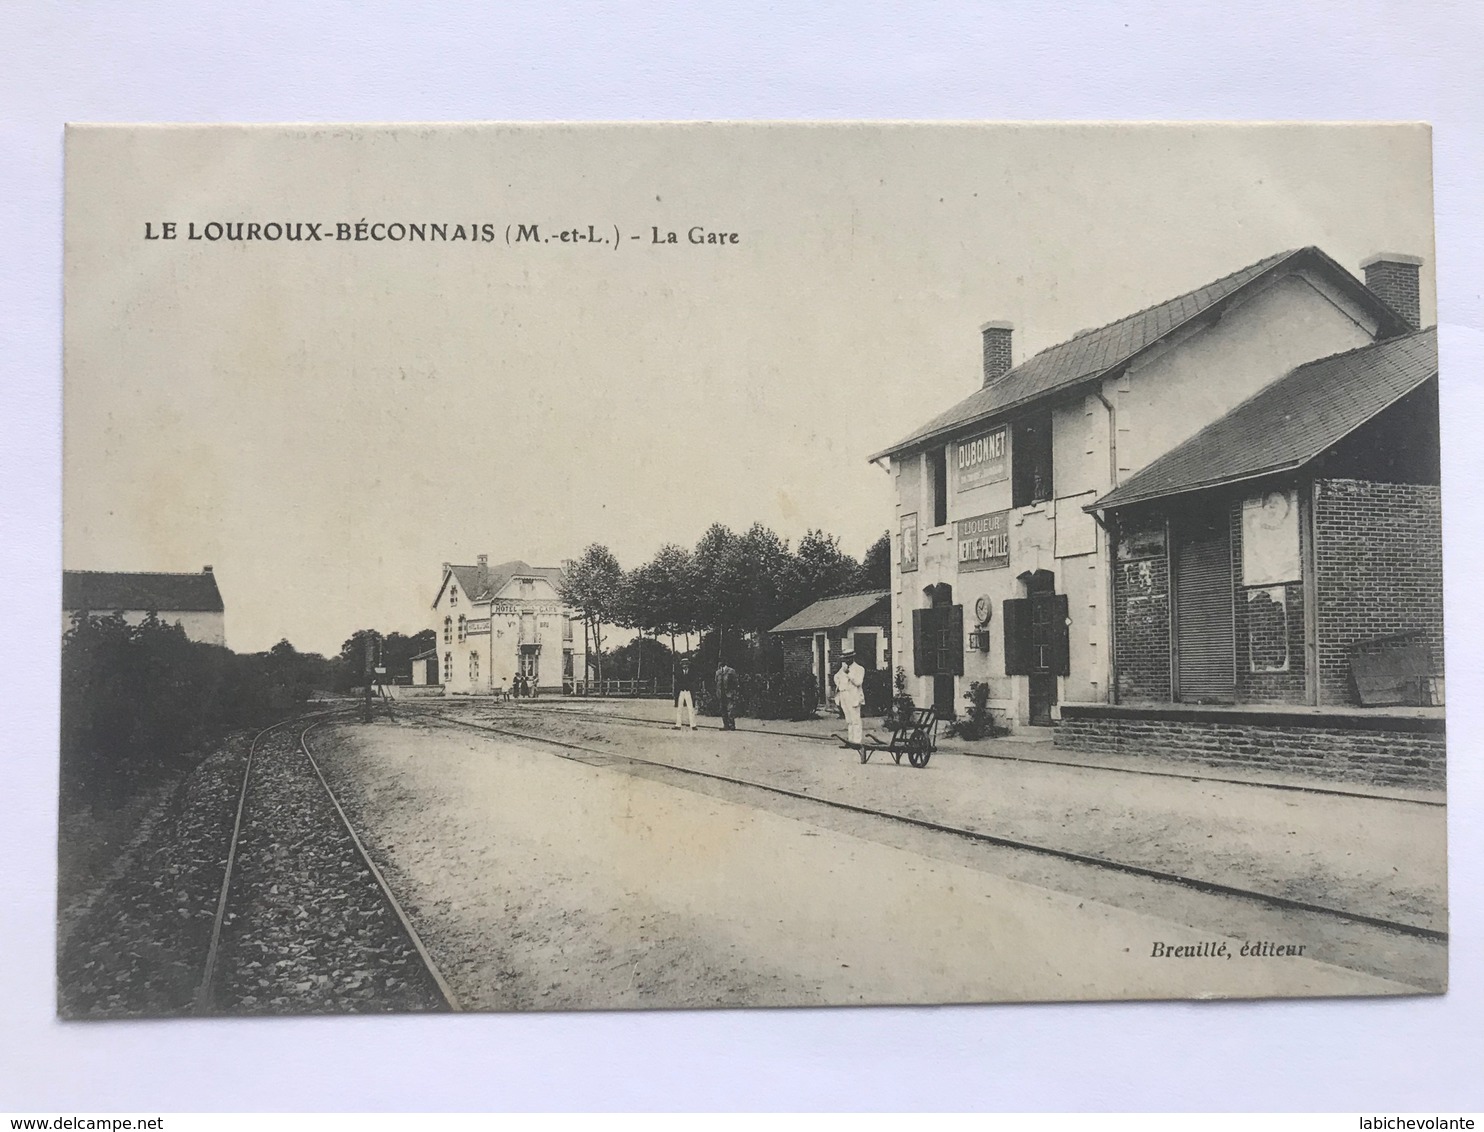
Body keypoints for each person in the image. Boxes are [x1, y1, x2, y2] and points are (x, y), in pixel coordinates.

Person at [834, 647, 866, 747]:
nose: (846, 660)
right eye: (844, 658)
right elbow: (836, 677)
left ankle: (857, 741)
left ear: (852, 658)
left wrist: (848, 674)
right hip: (844, 695)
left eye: (848, 658)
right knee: (849, 719)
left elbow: (858, 682)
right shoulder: (843, 669)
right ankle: (851, 740)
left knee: (855, 719)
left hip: (854, 696)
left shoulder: (859, 669)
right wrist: (839, 685)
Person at [673, 657, 698, 731]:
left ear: (688, 665)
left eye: (686, 664)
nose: (685, 665)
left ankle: (693, 725)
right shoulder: (678, 673)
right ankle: (678, 725)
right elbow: (676, 683)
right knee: (679, 708)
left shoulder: (692, 673)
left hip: (688, 691)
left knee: (690, 708)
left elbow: (693, 682)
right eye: (683, 664)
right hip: (681, 691)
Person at [714, 661, 740, 731]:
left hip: (729, 693)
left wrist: (734, 691)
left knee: (730, 710)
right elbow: (716, 682)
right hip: (721, 693)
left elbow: (735, 682)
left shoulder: (731, 671)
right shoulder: (718, 672)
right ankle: (726, 725)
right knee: (723, 710)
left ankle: (732, 725)